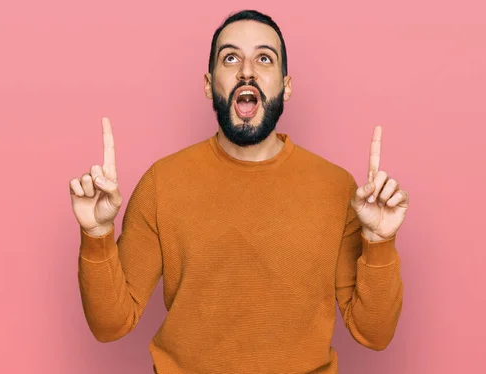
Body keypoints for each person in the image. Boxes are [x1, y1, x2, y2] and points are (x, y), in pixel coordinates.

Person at [70, 9, 408, 374]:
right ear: (208, 83)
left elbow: (374, 334)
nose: (247, 71)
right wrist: (96, 234)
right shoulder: (161, 183)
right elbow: (110, 325)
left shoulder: (338, 187)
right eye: (230, 58)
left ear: (286, 85)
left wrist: (379, 241)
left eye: (264, 58)